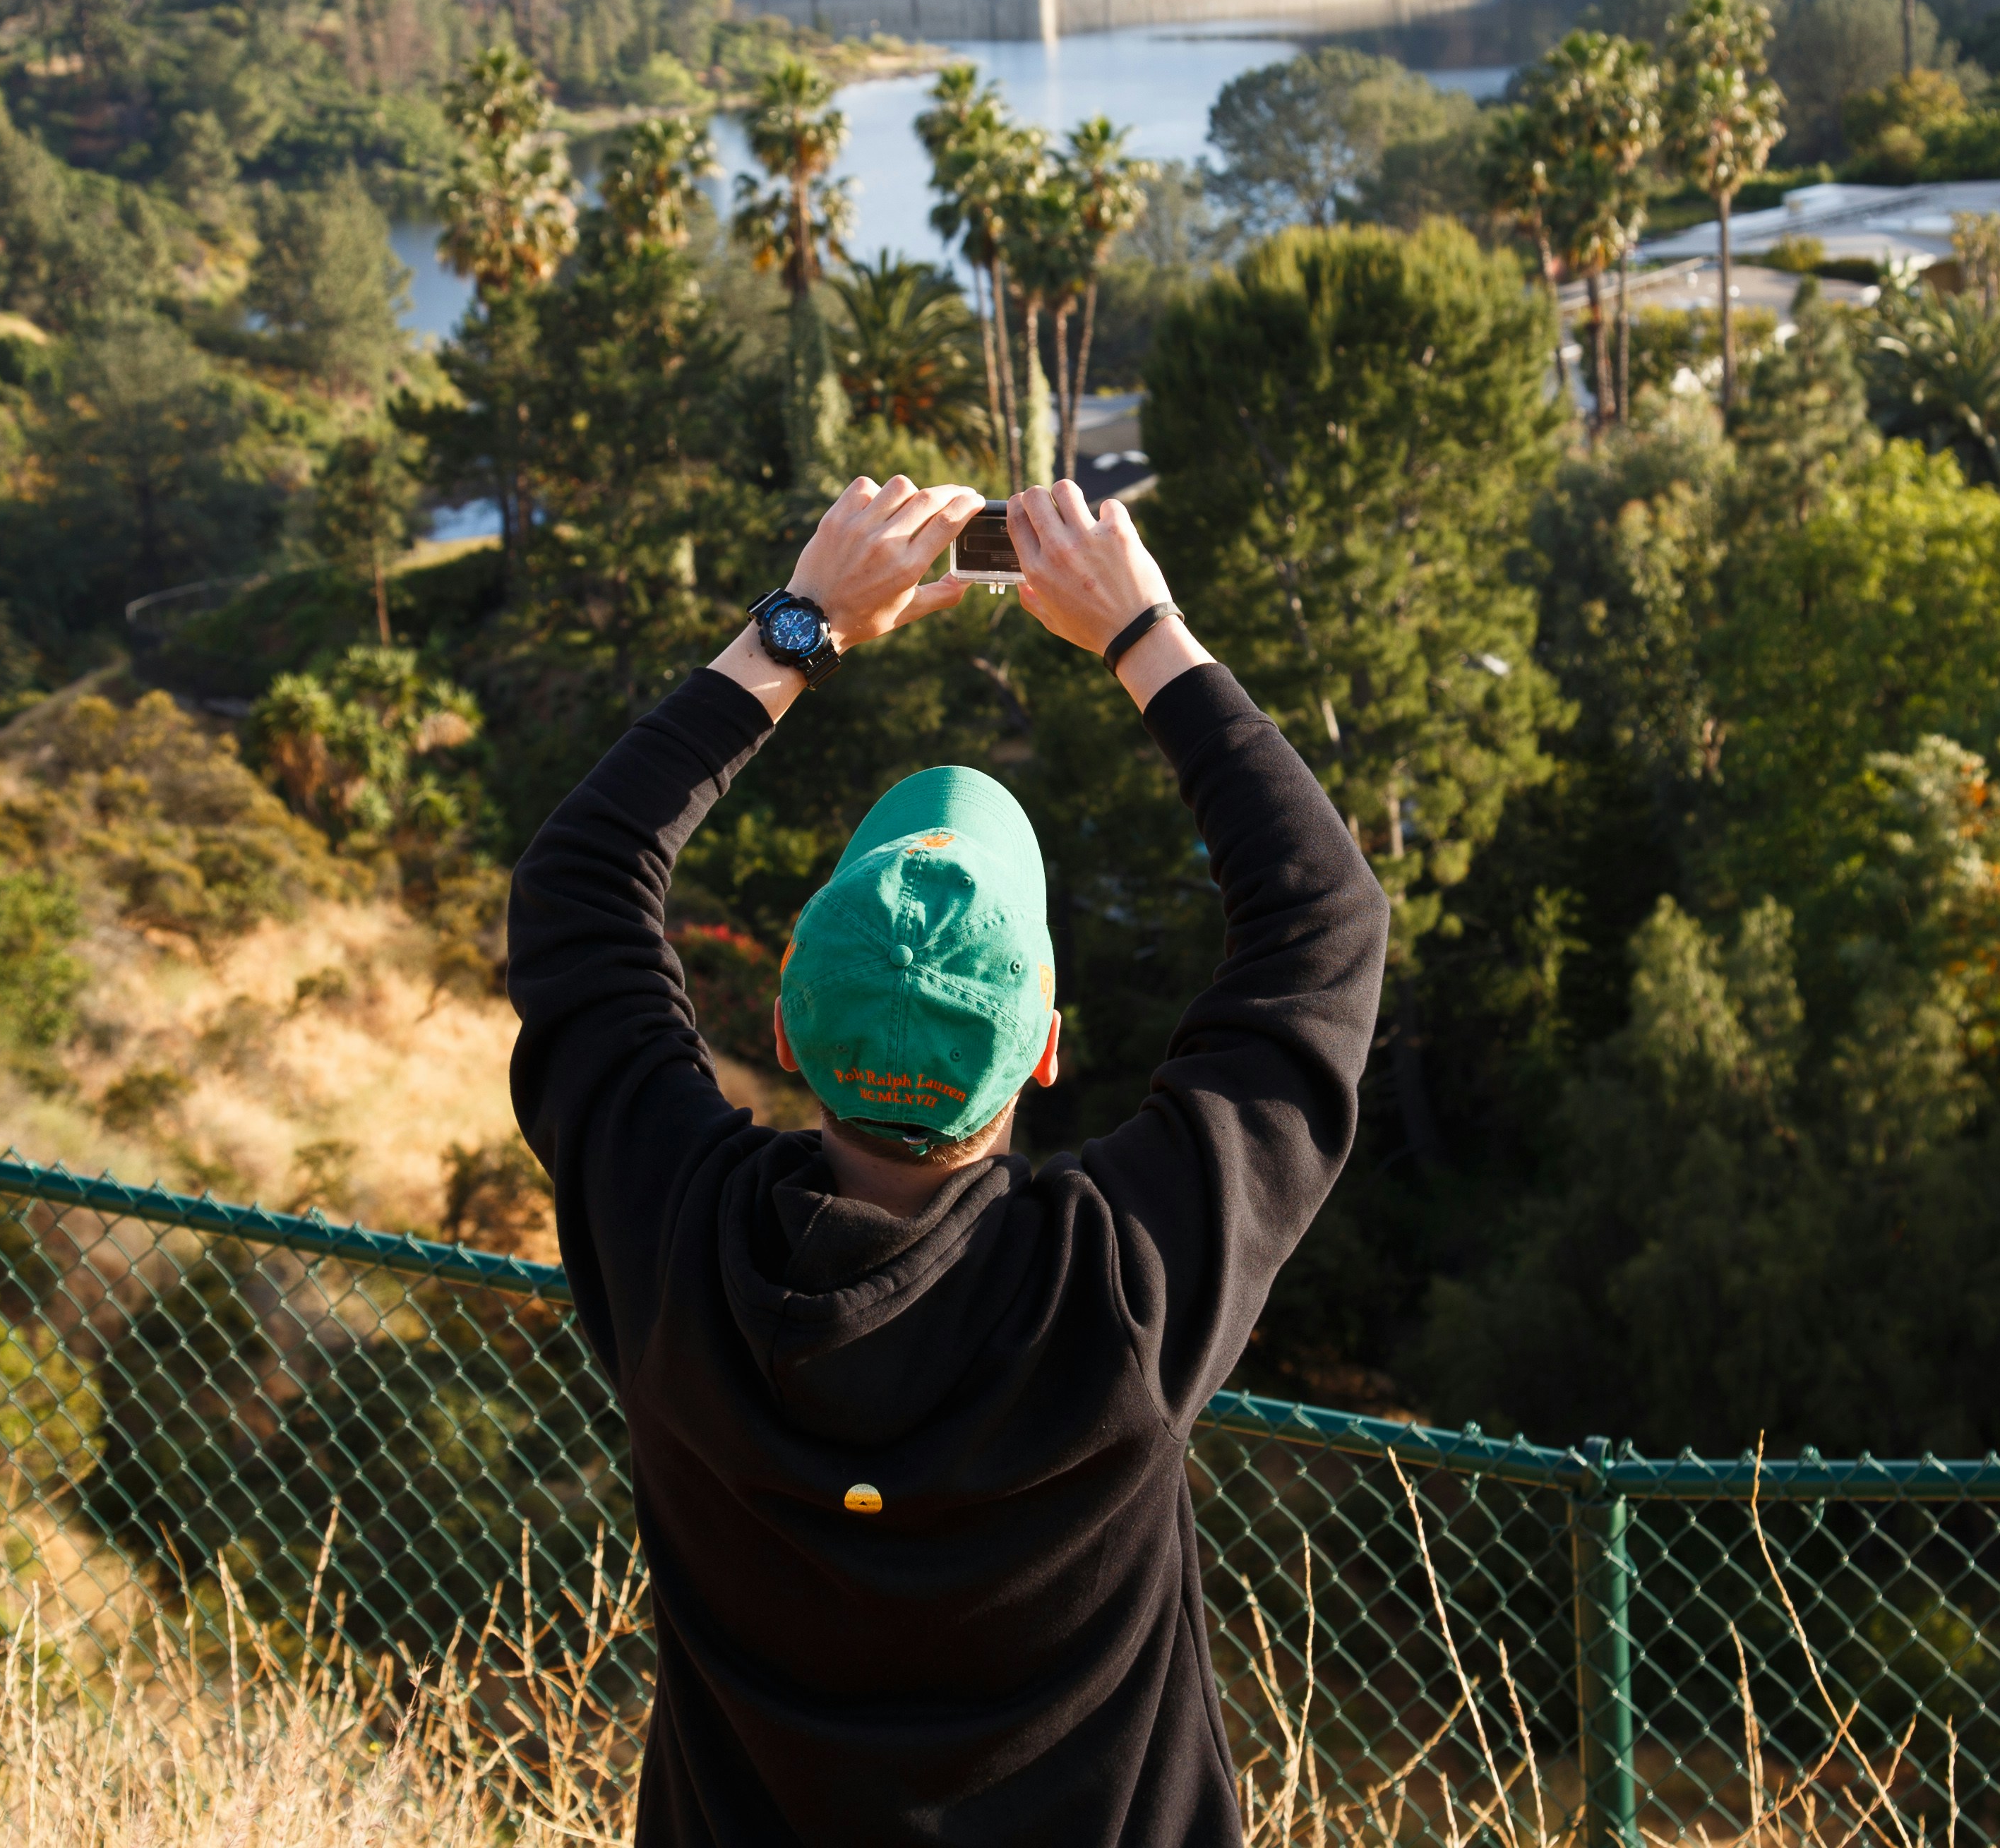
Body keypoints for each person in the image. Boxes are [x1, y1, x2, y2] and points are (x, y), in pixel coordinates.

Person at [508, 474, 1389, 1846]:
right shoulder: (1116, 1300)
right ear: (1045, 1051)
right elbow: (1326, 921)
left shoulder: (674, 1243)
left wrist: (800, 628)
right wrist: (1140, 632)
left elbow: (579, 885)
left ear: (786, 1023)